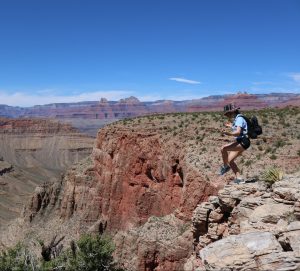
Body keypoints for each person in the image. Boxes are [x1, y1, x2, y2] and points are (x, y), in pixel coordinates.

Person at [220, 104, 250, 184]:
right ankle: (239, 178)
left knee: (223, 148)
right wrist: (230, 126)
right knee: (230, 160)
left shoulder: (239, 119)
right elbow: (238, 127)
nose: (227, 116)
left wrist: (228, 133)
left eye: (228, 114)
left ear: (232, 112)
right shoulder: (238, 119)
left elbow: (238, 132)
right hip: (242, 141)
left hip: (243, 142)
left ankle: (225, 167)